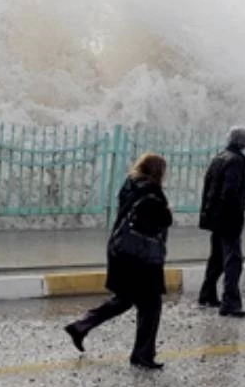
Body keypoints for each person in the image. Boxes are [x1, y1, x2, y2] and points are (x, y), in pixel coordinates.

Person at [64, 152, 173, 370]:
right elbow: (154, 223)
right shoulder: (152, 192)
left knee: (125, 299)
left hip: (121, 251)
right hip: (141, 258)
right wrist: (167, 213)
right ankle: (142, 355)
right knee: (151, 305)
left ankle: (80, 326)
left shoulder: (130, 185)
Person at [197, 127, 245, 318]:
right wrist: (236, 214)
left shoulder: (219, 157)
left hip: (215, 217)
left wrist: (208, 214)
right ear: (243, 142)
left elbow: (208, 187)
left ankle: (207, 295)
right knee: (233, 260)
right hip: (228, 218)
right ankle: (230, 303)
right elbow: (230, 192)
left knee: (217, 259)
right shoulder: (235, 161)